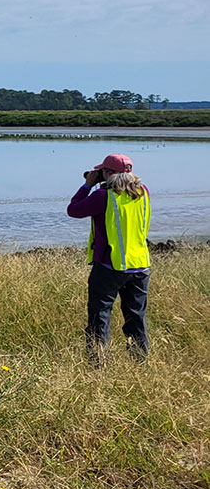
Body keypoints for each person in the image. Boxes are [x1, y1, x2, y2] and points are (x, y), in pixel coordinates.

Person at [68, 153, 151, 362]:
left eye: (103, 172)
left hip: (110, 265)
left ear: (108, 173)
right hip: (140, 265)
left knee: (100, 316)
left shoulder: (103, 196)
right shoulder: (144, 192)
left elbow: (74, 209)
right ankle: (139, 361)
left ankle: (98, 362)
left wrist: (87, 185)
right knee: (136, 317)